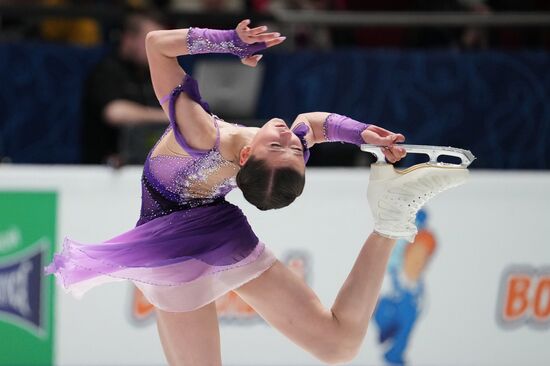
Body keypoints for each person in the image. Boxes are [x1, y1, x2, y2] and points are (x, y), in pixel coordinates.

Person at [46, 19, 468, 365]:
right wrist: (363, 134)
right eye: (291, 146)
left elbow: (158, 46)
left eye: (286, 147)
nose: (289, 136)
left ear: (248, 154)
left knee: (338, 346)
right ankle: (391, 219)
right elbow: (314, 125)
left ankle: (390, 222)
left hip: (200, 229)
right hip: (176, 240)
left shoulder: (220, 138)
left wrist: (230, 43)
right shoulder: (235, 140)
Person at [81, 10, 168, 166]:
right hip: (103, 169)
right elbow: (115, 112)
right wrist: (169, 116)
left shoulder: (153, 73)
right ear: (129, 39)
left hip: (146, 166)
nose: (159, 49)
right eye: (151, 41)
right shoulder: (107, 70)